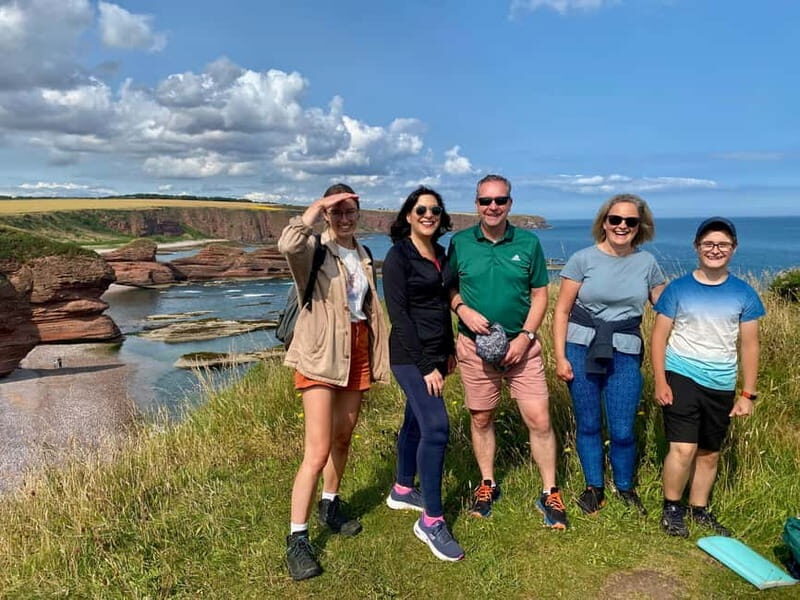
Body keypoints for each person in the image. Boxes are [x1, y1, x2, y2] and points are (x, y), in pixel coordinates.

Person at [278, 183, 390, 581]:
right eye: (336, 211)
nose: (344, 218)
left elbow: (366, 308)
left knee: (343, 438)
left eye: (349, 211)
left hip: (356, 351)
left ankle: (330, 504)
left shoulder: (364, 253)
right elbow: (289, 244)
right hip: (321, 354)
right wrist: (316, 206)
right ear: (327, 214)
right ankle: (298, 539)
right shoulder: (315, 251)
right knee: (317, 449)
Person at [448, 174, 567, 529]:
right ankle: (487, 484)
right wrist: (461, 309)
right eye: (486, 201)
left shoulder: (528, 243)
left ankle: (549, 491)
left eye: (500, 200)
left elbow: (540, 294)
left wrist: (526, 336)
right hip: (474, 347)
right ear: (476, 205)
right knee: (482, 418)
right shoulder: (460, 243)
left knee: (540, 420)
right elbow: (449, 287)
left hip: (523, 348)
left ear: (510, 204)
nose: (493, 207)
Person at [552, 194, 665, 516]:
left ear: (639, 226)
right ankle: (594, 487)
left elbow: (666, 307)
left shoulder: (647, 264)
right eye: (615, 219)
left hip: (625, 352)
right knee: (588, 424)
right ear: (604, 222)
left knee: (623, 428)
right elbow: (561, 312)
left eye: (630, 221)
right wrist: (560, 357)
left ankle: (625, 486)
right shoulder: (581, 260)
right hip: (580, 348)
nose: (622, 226)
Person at [652, 217, 764, 538]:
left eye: (723, 245)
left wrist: (748, 393)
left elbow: (750, 344)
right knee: (684, 449)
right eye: (709, 244)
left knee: (710, 452)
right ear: (697, 247)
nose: (715, 250)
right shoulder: (678, 289)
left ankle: (699, 510)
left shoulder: (744, 294)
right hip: (681, 376)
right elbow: (659, 337)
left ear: (733, 249)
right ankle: (672, 508)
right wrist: (661, 380)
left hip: (722, 382)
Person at [382, 186, 464, 561]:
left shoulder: (441, 254)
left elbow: (440, 305)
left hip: (435, 351)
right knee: (437, 428)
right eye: (421, 210)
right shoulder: (398, 257)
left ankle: (402, 488)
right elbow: (399, 316)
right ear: (409, 216)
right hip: (409, 356)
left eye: (434, 209)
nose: (428, 215)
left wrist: (446, 353)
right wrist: (426, 365)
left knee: (415, 421)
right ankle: (431, 521)